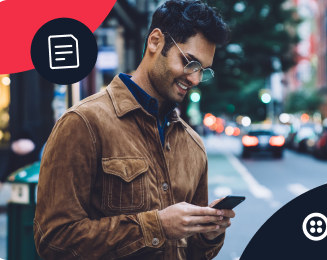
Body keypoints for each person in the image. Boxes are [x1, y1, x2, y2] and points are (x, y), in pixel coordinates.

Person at [33, 1, 234, 259]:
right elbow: (53, 241)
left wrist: (209, 233)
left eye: (202, 71)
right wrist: (157, 226)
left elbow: (194, 253)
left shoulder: (193, 145)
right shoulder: (83, 123)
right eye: (189, 62)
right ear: (155, 41)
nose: (194, 79)